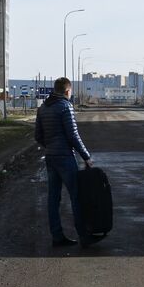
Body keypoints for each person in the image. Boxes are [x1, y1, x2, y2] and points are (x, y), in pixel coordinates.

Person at [34, 77, 96, 248]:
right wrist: (86, 156)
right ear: (68, 91)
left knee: (53, 198)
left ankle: (57, 237)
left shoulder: (43, 108)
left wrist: (51, 147)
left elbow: (37, 136)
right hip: (65, 159)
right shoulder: (65, 107)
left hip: (50, 158)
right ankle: (84, 236)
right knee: (76, 196)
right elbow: (73, 135)